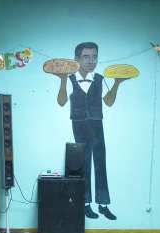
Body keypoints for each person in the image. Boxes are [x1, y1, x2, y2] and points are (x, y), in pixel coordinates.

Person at [54, 42, 127, 220]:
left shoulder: (101, 79)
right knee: (84, 165)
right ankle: (86, 203)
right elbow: (61, 101)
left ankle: (103, 204)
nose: (91, 61)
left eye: (94, 57)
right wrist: (63, 80)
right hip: (79, 125)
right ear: (76, 59)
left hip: (97, 125)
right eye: (86, 57)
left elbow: (108, 102)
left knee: (100, 162)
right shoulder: (70, 79)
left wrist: (117, 83)